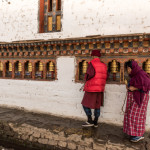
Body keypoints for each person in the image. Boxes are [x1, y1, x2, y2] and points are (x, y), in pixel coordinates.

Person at [123, 60, 150, 142]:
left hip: (140, 98)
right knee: (131, 115)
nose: (127, 71)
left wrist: (134, 88)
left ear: (131, 68)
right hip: (134, 97)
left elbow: (147, 85)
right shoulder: (134, 75)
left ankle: (138, 135)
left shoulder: (141, 74)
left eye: (128, 69)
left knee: (136, 117)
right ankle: (133, 133)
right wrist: (129, 87)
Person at [81, 49, 107, 127]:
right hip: (100, 88)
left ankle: (90, 120)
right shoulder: (103, 65)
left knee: (84, 104)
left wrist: (86, 79)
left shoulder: (92, 63)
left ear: (93, 56)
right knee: (97, 105)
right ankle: (95, 122)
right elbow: (106, 76)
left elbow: (88, 75)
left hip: (92, 87)